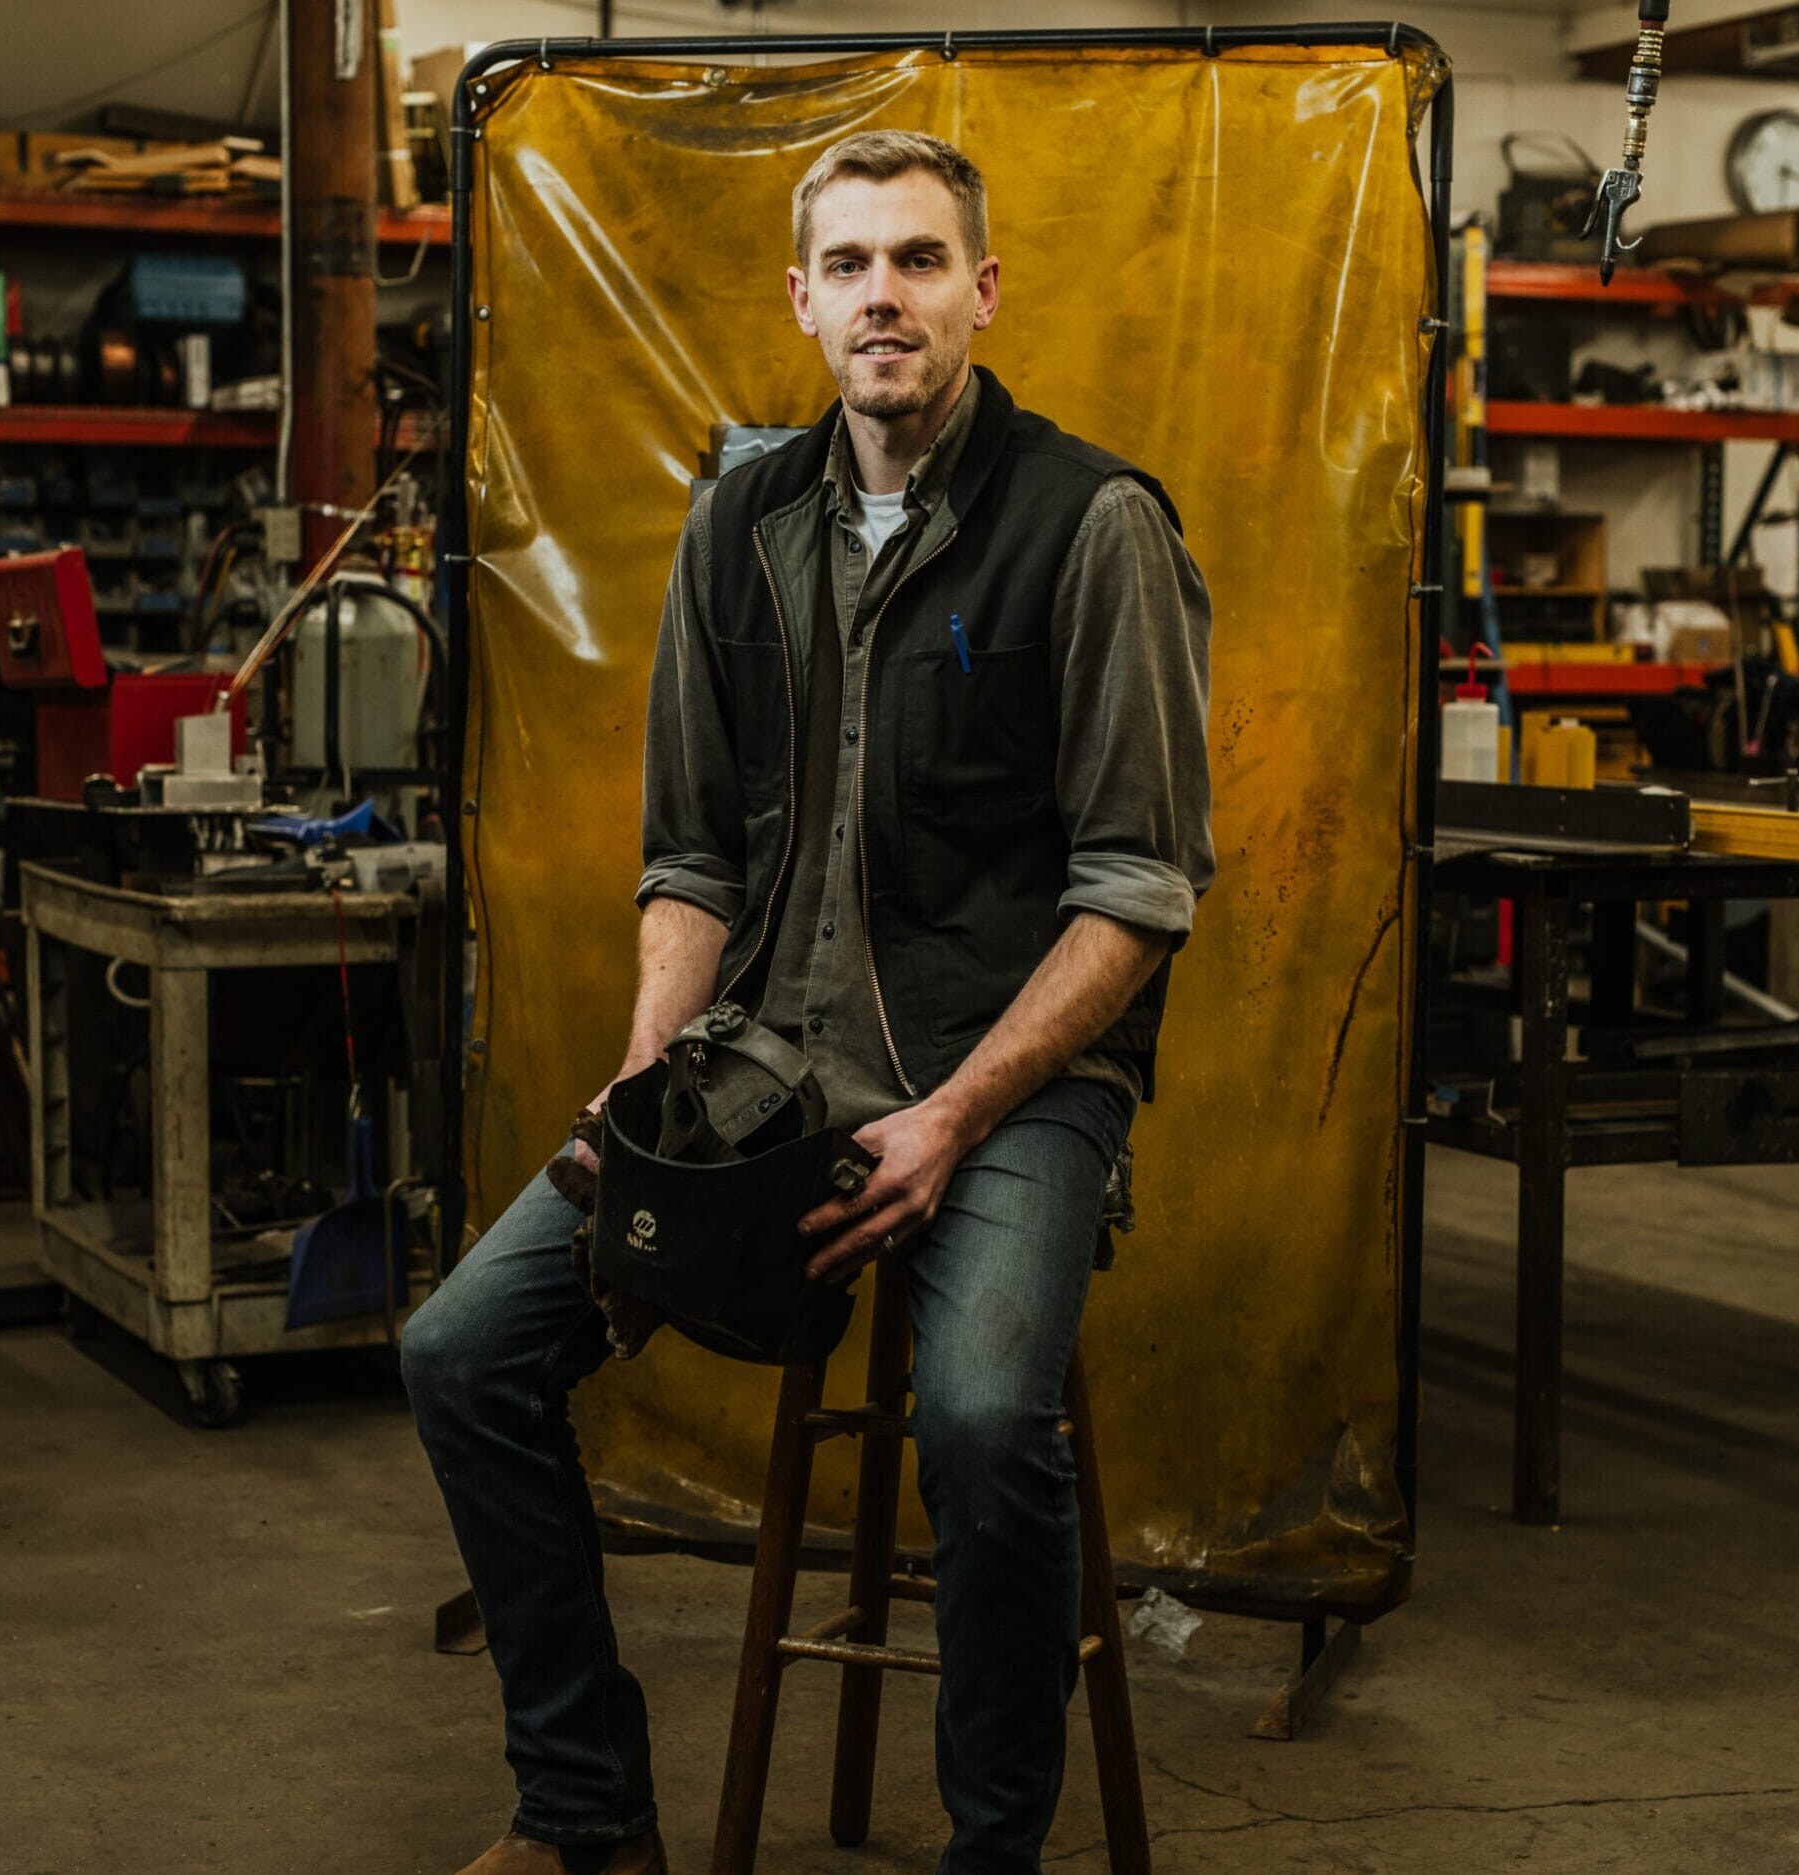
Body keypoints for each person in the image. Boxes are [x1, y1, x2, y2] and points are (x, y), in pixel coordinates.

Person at [403, 129, 1214, 1875]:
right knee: (460, 1351)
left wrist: (955, 1117)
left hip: (998, 1074)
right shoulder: (741, 519)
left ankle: (993, 1851)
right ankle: (584, 1815)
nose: (883, 299)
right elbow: (692, 854)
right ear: (802, 298)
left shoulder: (1094, 526)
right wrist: (646, 1091)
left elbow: (1140, 888)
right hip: (755, 1063)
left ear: (983, 291)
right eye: (848, 265)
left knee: (991, 1425)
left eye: (920, 261)